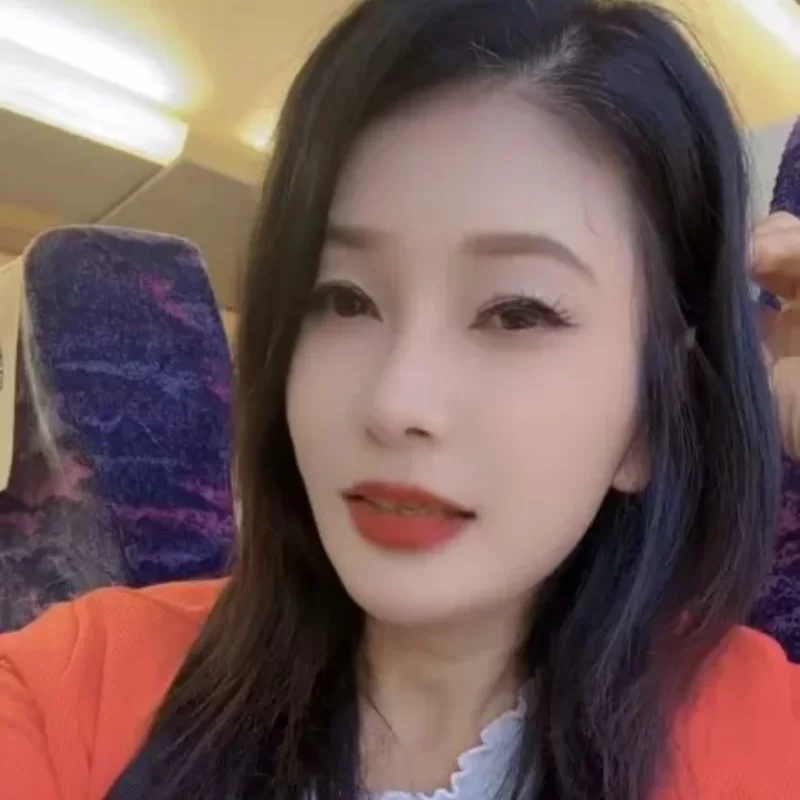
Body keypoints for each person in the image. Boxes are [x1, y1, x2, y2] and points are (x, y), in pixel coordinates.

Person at [1, 1, 799, 798]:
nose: (394, 403)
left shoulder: (769, 735)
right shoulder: (67, 689)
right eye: (342, 299)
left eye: (517, 312)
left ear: (654, 414)